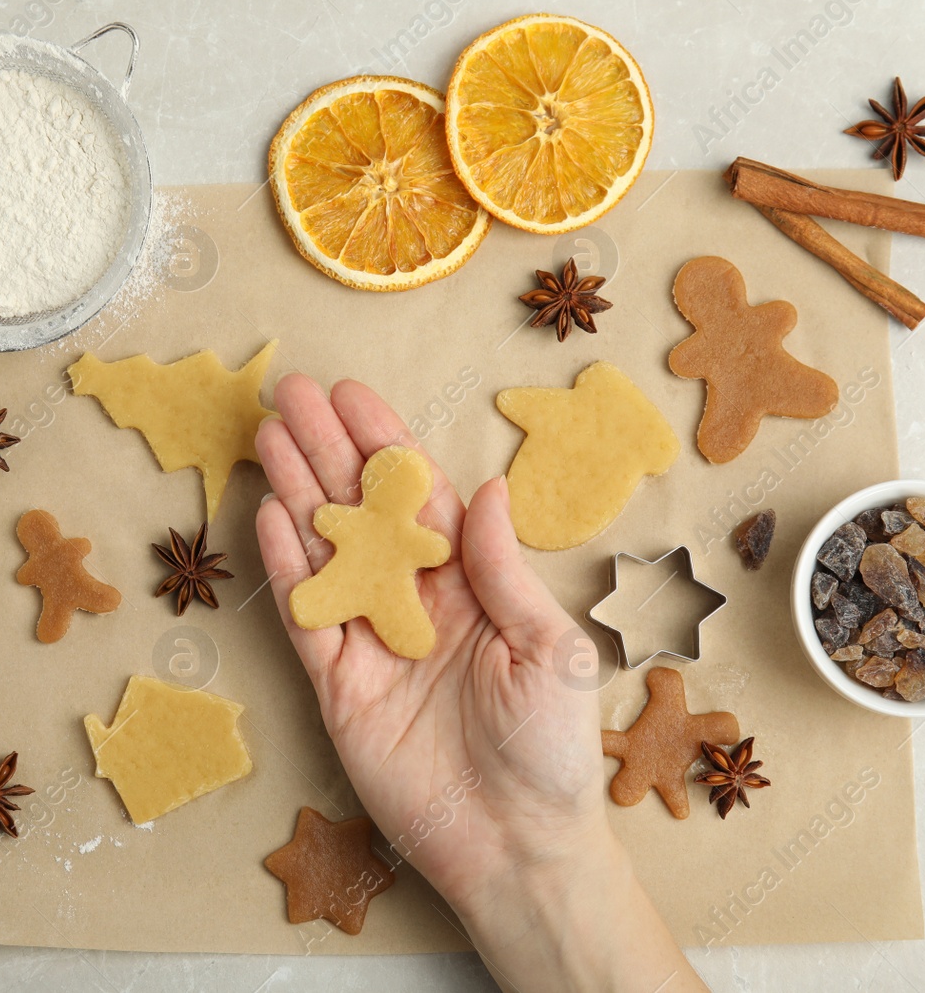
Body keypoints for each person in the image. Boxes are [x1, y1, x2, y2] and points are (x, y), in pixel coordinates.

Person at [254, 374, 708, 993]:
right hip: (368, 592)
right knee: (326, 596)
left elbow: (398, 537)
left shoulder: (412, 538)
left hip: (383, 602)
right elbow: (368, 529)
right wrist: (540, 861)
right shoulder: (397, 533)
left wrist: (537, 852)